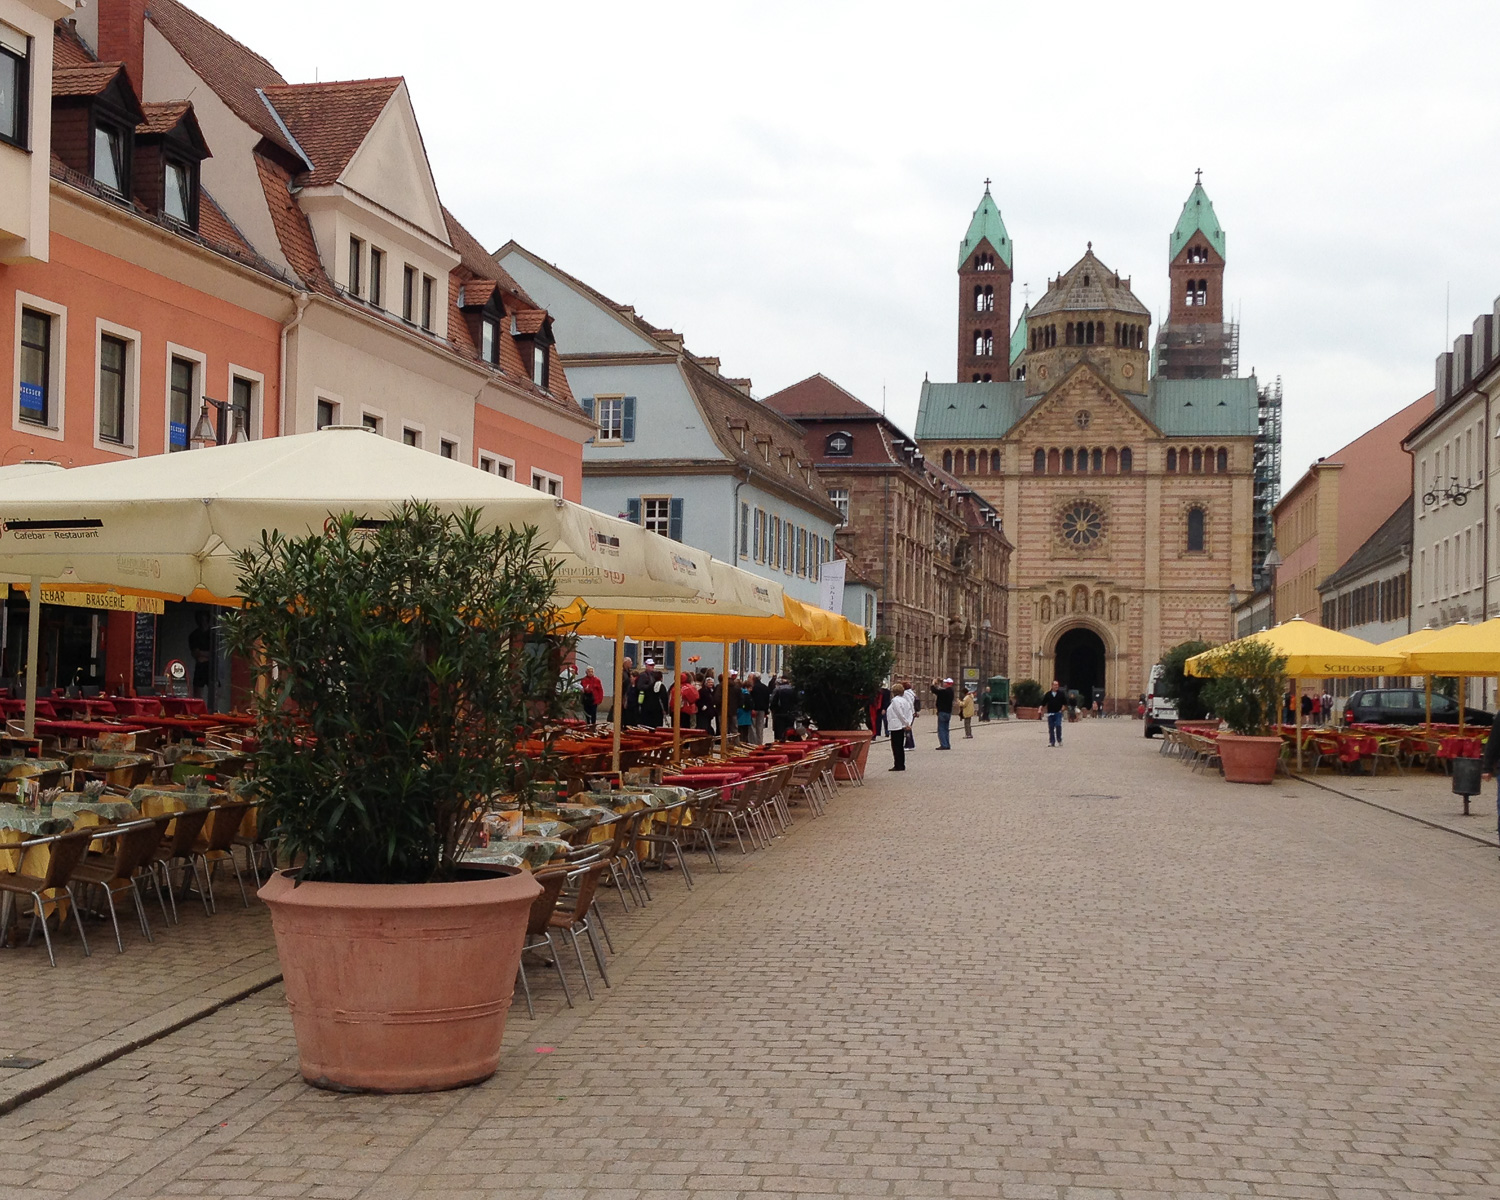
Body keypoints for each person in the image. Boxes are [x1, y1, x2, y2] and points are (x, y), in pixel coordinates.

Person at [886, 682, 915, 771]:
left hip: (896, 725)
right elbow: (909, 712)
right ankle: (901, 764)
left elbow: (900, 713)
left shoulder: (895, 701)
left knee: (896, 746)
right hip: (900, 725)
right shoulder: (904, 700)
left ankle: (898, 765)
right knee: (900, 746)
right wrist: (908, 723)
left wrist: (906, 723)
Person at [188, 610, 214, 705]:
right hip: (200, 666)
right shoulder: (194, 635)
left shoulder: (213, 634)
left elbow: (215, 653)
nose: (202, 622)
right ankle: (198, 711)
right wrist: (206, 654)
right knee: (197, 693)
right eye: (200, 620)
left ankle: (213, 711)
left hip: (212, 666)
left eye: (204, 620)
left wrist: (203, 654)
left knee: (215, 692)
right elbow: (196, 653)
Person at [638, 659, 668, 727]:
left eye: (653, 665)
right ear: (646, 665)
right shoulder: (643, 675)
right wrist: (650, 687)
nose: (652, 666)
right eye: (650, 665)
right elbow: (640, 687)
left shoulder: (652, 675)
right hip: (646, 701)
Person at [770, 675, 799, 741]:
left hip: (779, 713)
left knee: (779, 732)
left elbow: (772, 701)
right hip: (790, 713)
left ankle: (779, 742)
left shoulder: (777, 689)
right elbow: (797, 701)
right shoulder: (793, 689)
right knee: (789, 731)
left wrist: (773, 711)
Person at [930, 677, 955, 750]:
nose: (943, 684)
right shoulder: (951, 691)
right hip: (948, 712)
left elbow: (935, 690)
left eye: (944, 683)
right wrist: (938, 685)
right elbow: (940, 690)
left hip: (942, 712)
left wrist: (933, 684)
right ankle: (947, 744)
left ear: (947, 684)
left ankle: (943, 744)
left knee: (941, 729)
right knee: (946, 729)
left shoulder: (945, 692)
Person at [1042, 679, 1068, 747]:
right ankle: (1052, 742)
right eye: (1055, 685)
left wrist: (1061, 710)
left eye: (1057, 685)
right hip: (1050, 713)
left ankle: (1059, 739)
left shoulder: (1061, 694)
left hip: (1058, 713)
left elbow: (1064, 704)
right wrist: (1040, 709)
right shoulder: (1048, 694)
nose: (1056, 686)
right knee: (1051, 728)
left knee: (1058, 725)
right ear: (1052, 685)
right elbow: (1043, 703)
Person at [749, 672, 770, 745]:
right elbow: (767, 700)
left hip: (754, 710)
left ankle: (754, 743)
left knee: (753, 727)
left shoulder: (753, 688)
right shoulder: (765, 687)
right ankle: (760, 742)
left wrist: (752, 708)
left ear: (754, 679)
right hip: (762, 710)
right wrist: (766, 711)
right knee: (760, 727)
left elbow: (751, 699)